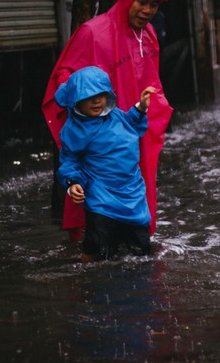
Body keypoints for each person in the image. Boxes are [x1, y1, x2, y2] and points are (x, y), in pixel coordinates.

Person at [42, 0, 173, 241]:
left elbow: (152, 80)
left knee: (137, 195)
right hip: (99, 138)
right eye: (142, 2)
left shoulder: (147, 35)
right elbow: (64, 79)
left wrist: (153, 111)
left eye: (154, 5)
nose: (148, 11)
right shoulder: (92, 33)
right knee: (94, 208)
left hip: (133, 130)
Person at [55, 66, 155, 261]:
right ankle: (87, 272)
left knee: (140, 250)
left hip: (131, 193)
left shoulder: (115, 115)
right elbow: (69, 161)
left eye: (101, 95)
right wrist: (73, 183)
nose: (96, 100)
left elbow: (130, 124)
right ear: (76, 99)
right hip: (102, 198)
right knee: (97, 247)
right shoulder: (74, 130)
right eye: (88, 96)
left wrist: (141, 107)